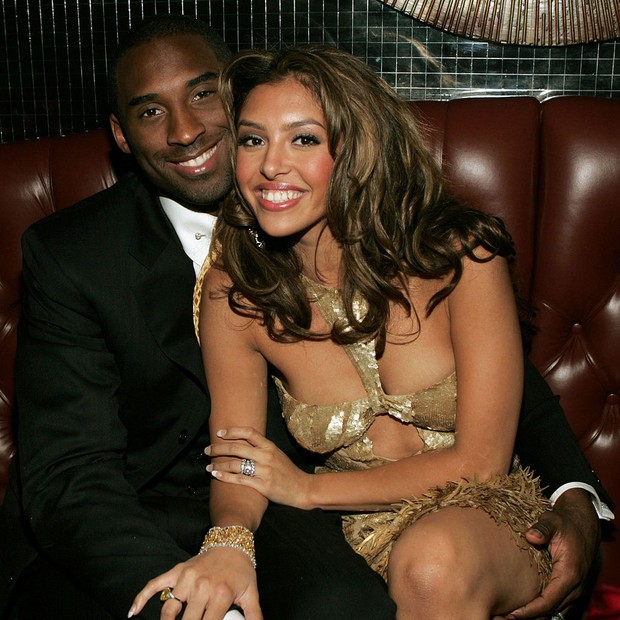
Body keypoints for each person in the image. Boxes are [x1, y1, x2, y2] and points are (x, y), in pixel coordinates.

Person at [0, 14, 610, 620]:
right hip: (161, 517)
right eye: (151, 111)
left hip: (351, 514)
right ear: (122, 134)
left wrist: (575, 498)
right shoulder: (96, 260)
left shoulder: (447, 254)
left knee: (395, 580)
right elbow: (74, 473)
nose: (186, 131)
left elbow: (497, 401)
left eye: (203, 94)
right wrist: (211, 563)